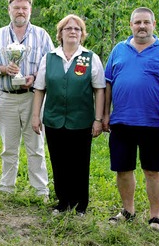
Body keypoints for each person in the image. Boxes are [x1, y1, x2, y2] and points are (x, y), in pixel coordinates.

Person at [103, 7, 159, 230]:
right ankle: (128, 210)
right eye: (137, 22)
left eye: (146, 22)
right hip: (122, 122)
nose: (142, 26)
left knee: (152, 171)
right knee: (123, 169)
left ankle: (155, 216)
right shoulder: (119, 49)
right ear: (131, 25)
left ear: (154, 24)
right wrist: (106, 114)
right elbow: (108, 83)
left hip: (155, 123)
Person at [31, 14, 105, 215]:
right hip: (54, 120)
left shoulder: (90, 57)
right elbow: (39, 88)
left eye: (77, 29)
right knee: (59, 162)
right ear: (60, 34)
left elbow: (99, 89)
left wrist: (98, 119)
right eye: (68, 28)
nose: (73, 31)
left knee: (80, 163)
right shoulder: (50, 58)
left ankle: (80, 205)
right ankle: (63, 202)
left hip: (81, 121)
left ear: (82, 35)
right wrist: (35, 116)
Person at [0, 0, 53, 198]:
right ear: (9, 10)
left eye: (24, 8)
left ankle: (40, 191)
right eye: (16, 7)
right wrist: (3, 68)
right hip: (5, 96)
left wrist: (34, 77)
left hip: (32, 98)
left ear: (30, 10)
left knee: (35, 146)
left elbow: (49, 65)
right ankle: (7, 189)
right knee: (9, 146)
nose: (20, 11)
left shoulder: (42, 35)